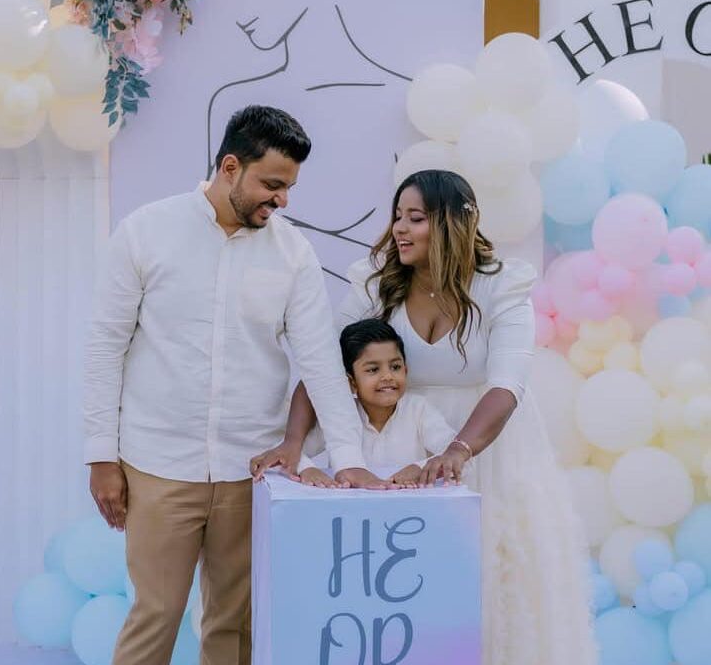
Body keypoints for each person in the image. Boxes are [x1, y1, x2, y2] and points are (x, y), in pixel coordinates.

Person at [251, 169, 597, 665]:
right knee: (404, 593)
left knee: (489, 591)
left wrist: (458, 449)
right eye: (398, 216)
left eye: (415, 218)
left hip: (486, 446)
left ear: (454, 223)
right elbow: (325, 365)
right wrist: (293, 441)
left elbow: (507, 385)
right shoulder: (379, 285)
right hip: (400, 447)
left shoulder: (501, 286)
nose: (399, 228)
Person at [82, 105, 386, 665]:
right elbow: (106, 347)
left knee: (235, 624)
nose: (283, 200)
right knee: (156, 615)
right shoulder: (146, 232)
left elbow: (321, 362)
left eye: (289, 187)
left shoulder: (293, 253)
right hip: (158, 462)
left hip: (252, 469)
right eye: (272, 184)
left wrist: (348, 458)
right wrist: (101, 455)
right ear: (230, 167)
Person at [297, 317, 462, 488]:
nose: (388, 376)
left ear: (406, 371)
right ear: (351, 382)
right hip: (355, 504)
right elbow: (291, 450)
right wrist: (307, 469)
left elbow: (454, 451)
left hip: (412, 504)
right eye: (373, 369)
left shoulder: (418, 409)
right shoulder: (340, 416)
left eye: (395, 367)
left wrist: (420, 468)